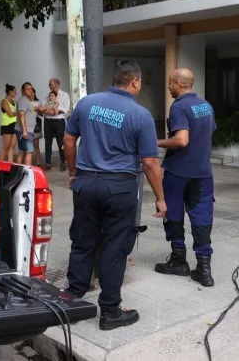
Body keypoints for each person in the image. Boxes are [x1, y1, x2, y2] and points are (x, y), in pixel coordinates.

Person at [63, 60, 166, 331]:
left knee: (83, 241)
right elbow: (150, 162)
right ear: (135, 82)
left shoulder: (87, 104)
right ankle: (110, 311)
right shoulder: (140, 115)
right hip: (119, 188)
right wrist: (160, 197)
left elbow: (69, 140)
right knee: (114, 248)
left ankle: (71, 300)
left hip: (85, 183)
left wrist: (73, 172)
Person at [155, 68, 216, 287]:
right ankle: (204, 269)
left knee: (172, 213)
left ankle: (179, 260)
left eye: (171, 83)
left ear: (179, 84)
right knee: (202, 216)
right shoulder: (206, 106)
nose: (169, 87)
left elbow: (181, 140)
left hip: (178, 171)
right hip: (203, 172)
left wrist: (155, 143)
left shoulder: (179, 107)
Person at [43, 78, 70, 171]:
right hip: (48, 121)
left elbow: (66, 108)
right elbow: (43, 106)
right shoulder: (47, 95)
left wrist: (57, 111)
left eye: (50, 84)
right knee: (47, 142)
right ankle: (48, 163)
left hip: (59, 121)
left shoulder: (64, 95)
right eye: (49, 84)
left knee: (60, 142)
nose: (49, 86)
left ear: (57, 84)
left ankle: (63, 162)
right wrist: (46, 111)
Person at [14, 82, 37, 166]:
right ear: (23, 91)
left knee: (22, 151)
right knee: (29, 151)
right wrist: (25, 131)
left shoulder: (25, 100)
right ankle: (28, 174)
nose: (30, 91)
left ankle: (17, 172)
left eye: (31, 89)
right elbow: (21, 114)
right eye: (28, 89)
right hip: (24, 131)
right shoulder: (23, 100)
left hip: (25, 130)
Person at [0, 84, 18, 162]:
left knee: (12, 146)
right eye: (14, 91)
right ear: (10, 92)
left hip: (15, 124)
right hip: (7, 125)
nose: (16, 93)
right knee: (5, 146)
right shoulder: (4, 101)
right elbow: (10, 114)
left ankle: (10, 163)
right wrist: (18, 112)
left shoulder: (14, 101)